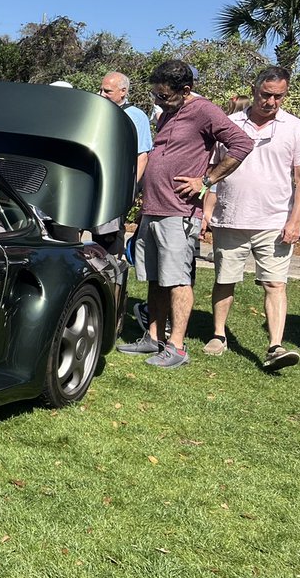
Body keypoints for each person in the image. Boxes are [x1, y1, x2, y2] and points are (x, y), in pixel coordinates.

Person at [117, 60, 253, 369]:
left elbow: (242, 143)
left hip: (178, 212)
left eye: (163, 96)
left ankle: (177, 346)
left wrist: (205, 181)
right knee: (155, 277)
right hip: (154, 207)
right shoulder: (168, 112)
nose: (157, 101)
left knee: (177, 279)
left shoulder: (204, 111)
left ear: (186, 90)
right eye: (155, 94)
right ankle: (153, 337)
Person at [202, 67, 300, 370]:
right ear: (254, 90)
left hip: (274, 221)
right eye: (266, 94)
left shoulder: (296, 128)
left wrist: (295, 220)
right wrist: (207, 211)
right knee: (224, 280)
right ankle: (218, 335)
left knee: (275, 284)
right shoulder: (228, 124)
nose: (271, 101)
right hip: (231, 216)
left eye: (278, 96)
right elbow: (213, 171)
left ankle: (275, 347)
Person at [94, 71, 154, 254]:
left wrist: (131, 187)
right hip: (96, 181)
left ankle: (114, 273)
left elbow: (142, 154)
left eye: (107, 91)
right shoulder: (97, 110)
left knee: (108, 235)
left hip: (118, 186)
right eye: (101, 90)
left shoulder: (135, 116)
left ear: (123, 91)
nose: (102, 94)